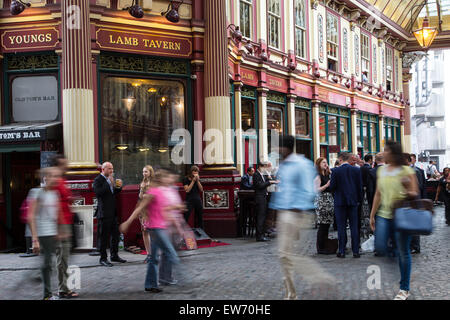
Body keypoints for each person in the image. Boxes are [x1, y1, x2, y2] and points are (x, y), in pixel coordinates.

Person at [270, 135, 334, 300]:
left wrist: (297, 212)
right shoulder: (283, 166)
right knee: (284, 255)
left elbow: (309, 190)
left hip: (296, 214)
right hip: (284, 214)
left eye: (278, 147)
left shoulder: (301, 164)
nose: (276, 150)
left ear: (286, 148)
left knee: (288, 254)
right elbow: (283, 191)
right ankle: (291, 294)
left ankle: (321, 278)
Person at [370, 141, 419, 300]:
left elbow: (414, 193)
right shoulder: (381, 170)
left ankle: (404, 288)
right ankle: (396, 255)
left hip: (402, 214)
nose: (383, 153)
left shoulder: (406, 170)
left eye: (386, 150)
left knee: (404, 253)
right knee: (380, 246)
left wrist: (407, 189)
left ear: (393, 153)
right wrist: (372, 215)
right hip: (384, 214)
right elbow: (378, 193)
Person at [120, 169, 182, 293]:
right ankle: (184, 278)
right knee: (171, 253)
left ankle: (150, 284)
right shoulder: (152, 192)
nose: (169, 179)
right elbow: (139, 208)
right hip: (156, 228)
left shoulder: (161, 191)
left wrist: (175, 214)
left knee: (154, 258)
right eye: (166, 177)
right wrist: (128, 222)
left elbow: (165, 209)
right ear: (160, 179)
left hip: (161, 227)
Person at [28, 167, 64, 300]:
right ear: (46, 178)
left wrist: (58, 231)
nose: (55, 179)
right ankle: (47, 295)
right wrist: (35, 239)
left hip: (51, 233)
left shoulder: (54, 194)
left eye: (57, 176)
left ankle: (48, 292)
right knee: (48, 264)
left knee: (50, 264)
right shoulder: (37, 193)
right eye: (53, 176)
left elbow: (54, 215)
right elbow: (31, 216)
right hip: (42, 234)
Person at [50, 154, 79, 298]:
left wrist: (70, 199)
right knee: (62, 258)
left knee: (64, 257)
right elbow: (54, 205)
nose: (65, 167)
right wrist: (58, 228)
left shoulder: (61, 181)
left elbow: (63, 200)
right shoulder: (55, 181)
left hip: (66, 223)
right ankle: (62, 289)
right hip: (61, 224)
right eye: (63, 165)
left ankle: (64, 287)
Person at [329, 152, 363, 258]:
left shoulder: (335, 171)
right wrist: (359, 200)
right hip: (353, 201)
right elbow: (360, 187)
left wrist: (336, 195)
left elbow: (332, 187)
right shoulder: (356, 170)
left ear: (340, 159)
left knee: (341, 227)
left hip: (340, 201)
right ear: (348, 159)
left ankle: (342, 250)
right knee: (354, 226)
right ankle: (356, 251)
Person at [93, 162, 126, 267]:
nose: (112, 171)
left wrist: (118, 187)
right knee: (103, 237)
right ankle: (103, 258)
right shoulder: (98, 180)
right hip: (104, 213)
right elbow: (98, 193)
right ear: (103, 169)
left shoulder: (111, 180)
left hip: (113, 212)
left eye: (112, 168)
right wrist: (108, 183)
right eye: (109, 169)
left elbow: (113, 193)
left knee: (115, 235)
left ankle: (114, 255)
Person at [314, 158, 335, 254]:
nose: (326, 164)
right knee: (322, 225)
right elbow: (316, 190)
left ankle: (325, 245)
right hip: (322, 201)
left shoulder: (326, 174)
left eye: (326, 162)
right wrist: (326, 185)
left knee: (326, 225)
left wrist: (330, 173)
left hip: (328, 201)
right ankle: (320, 247)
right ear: (318, 164)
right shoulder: (318, 176)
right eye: (323, 162)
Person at [253, 162, 278, 241]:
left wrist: (270, 180)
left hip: (264, 197)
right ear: (260, 167)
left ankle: (262, 234)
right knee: (260, 217)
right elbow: (260, 185)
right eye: (264, 167)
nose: (265, 169)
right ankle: (259, 236)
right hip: (259, 198)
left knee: (263, 216)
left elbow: (265, 182)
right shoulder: (256, 174)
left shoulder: (262, 175)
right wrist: (269, 182)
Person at [407, 154, 425, 254]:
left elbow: (419, 187)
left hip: (414, 202)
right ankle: (412, 245)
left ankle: (415, 246)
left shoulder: (415, 171)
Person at [139, 165, 155, 263]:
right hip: (144, 209)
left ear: (150, 172)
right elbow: (140, 196)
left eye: (146, 172)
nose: (144, 173)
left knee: (153, 232)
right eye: (143, 171)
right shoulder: (143, 182)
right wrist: (141, 189)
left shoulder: (154, 183)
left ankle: (154, 254)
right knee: (144, 231)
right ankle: (148, 254)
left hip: (152, 209)